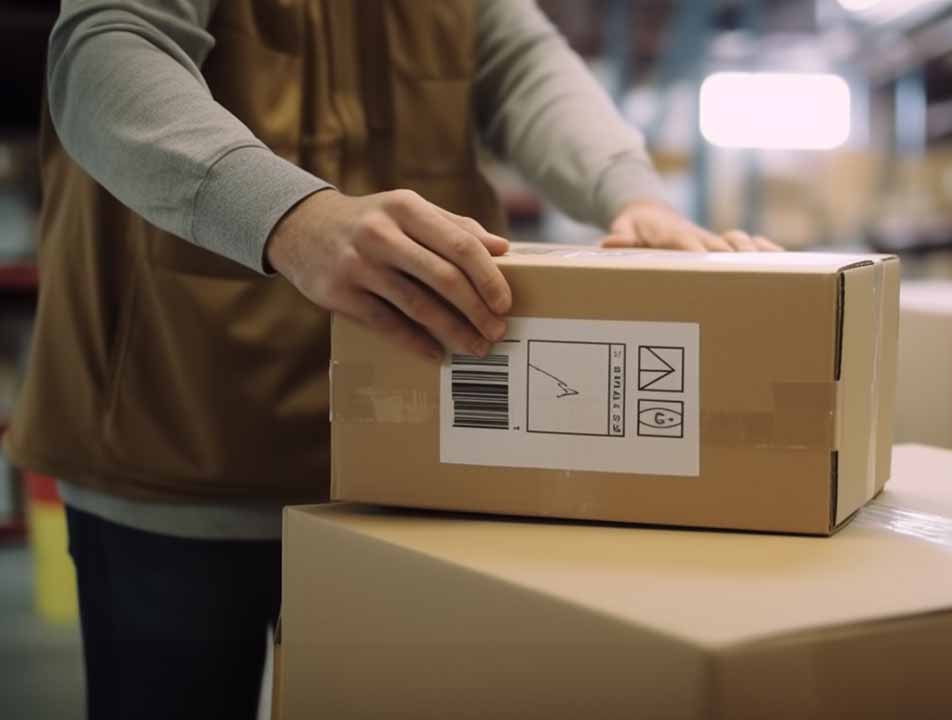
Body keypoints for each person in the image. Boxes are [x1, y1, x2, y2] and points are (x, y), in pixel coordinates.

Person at [6, 1, 780, 718]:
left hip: (403, 452)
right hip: (174, 431)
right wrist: (290, 216)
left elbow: (520, 63)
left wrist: (633, 195)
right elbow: (106, 52)